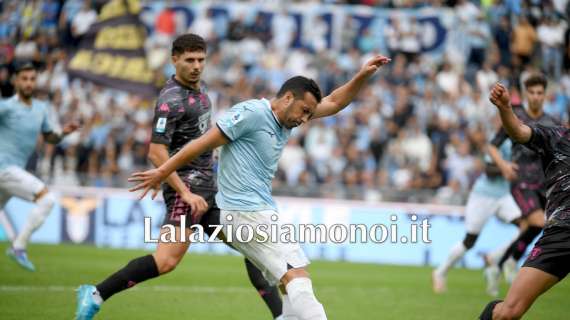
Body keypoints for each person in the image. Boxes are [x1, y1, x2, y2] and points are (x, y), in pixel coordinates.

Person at [128, 55, 391, 319]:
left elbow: (334, 103)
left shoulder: (287, 119)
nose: (305, 119)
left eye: (310, 113)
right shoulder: (251, 114)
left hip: (259, 211)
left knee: (290, 284)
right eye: (304, 110)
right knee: (297, 277)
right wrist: (164, 170)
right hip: (244, 213)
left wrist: (362, 76)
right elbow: (202, 143)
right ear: (288, 98)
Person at [75, 34, 282, 320]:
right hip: (186, 193)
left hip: (211, 190)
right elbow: (157, 153)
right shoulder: (170, 100)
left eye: (201, 60)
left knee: (254, 246)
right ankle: (95, 294)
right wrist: (184, 193)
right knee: (166, 261)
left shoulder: (201, 90)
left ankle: (282, 316)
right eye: (189, 60)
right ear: (175, 59)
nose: (196, 66)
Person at [479, 83, 570, 319]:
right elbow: (519, 132)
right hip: (562, 233)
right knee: (507, 313)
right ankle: (505, 260)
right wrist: (505, 108)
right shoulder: (557, 136)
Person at [0, 62, 79, 271]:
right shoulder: (6, 107)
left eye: (32, 79)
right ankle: (18, 247)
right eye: (24, 79)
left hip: (12, 173)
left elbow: (49, 137)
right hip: (4, 168)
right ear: (16, 81)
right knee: (47, 199)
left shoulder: (40, 108)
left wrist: (63, 132)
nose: (28, 83)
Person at [432, 139, 522, 297]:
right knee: (469, 241)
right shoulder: (502, 142)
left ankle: (493, 257)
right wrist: (508, 168)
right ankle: (440, 272)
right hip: (483, 196)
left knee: (529, 227)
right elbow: (489, 170)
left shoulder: (525, 141)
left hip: (503, 196)